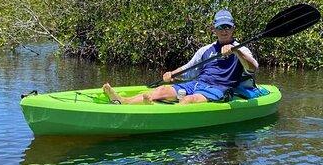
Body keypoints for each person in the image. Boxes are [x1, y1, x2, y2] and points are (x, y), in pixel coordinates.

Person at [103, 9, 259, 105]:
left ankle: (159, 114)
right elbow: (188, 69)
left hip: (220, 89)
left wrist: (236, 51)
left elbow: (252, 68)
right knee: (161, 90)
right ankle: (123, 101)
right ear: (214, 29)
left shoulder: (242, 49)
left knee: (189, 100)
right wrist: (172, 74)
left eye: (227, 27)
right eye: (220, 27)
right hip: (198, 84)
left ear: (233, 28)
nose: (224, 31)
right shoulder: (205, 50)